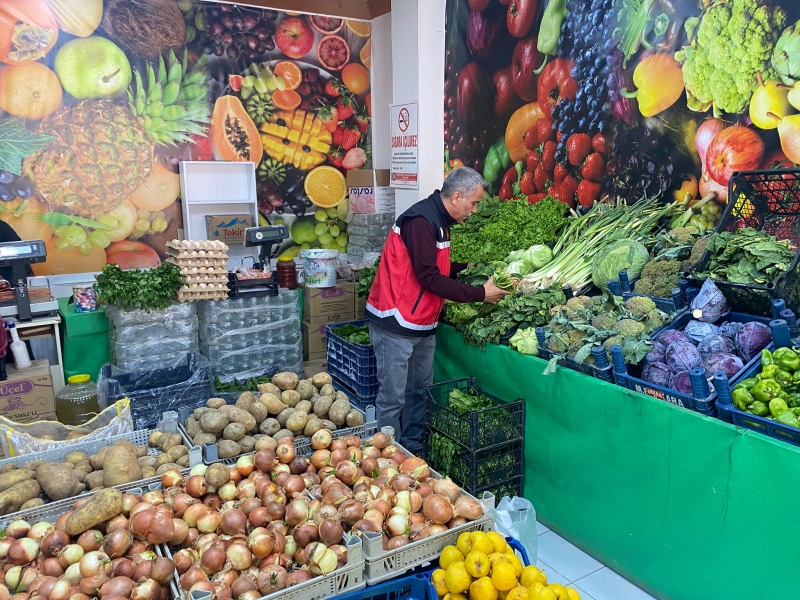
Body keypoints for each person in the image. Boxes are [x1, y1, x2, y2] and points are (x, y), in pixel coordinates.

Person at [364, 167, 509, 452]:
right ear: (457, 197)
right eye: (474, 203)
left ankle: (413, 450)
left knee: (419, 392)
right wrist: (480, 294)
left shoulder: (440, 221)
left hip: (422, 324)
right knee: (393, 399)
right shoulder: (420, 221)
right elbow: (428, 278)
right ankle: (385, 457)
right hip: (396, 322)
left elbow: (434, 265)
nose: (475, 210)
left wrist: (467, 268)